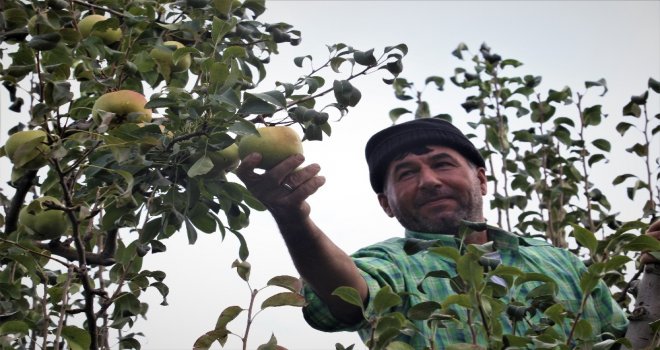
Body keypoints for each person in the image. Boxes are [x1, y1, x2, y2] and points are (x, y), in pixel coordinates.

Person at [235, 118, 659, 348]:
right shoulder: (392, 264)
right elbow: (348, 293)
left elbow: (632, 340)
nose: (429, 180)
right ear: (386, 203)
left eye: (442, 164)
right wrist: (293, 219)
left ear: (481, 178)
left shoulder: (561, 263)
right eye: (406, 173)